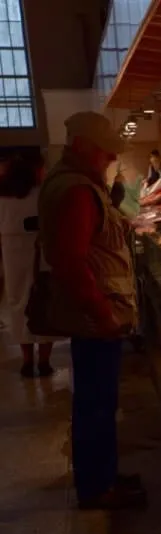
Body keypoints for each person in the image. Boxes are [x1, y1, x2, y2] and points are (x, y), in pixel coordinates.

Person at [37, 111, 145, 510]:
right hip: (95, 317)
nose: (110, 161)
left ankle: (101, 476)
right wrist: (102, 314)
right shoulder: (77, 190)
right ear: (84, 147)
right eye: (105, 154)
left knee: (97, 401)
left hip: (93, 314)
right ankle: (98, 487)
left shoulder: (73, 182)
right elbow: (70, 261)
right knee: (97, 404)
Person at [0, 152, 60, 377]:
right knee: (44, 302)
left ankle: (27, 360)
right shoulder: (42, 195)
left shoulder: (2, 198)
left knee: (18, 305)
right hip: (40, 252)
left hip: (12, 255)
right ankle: (45, 361)